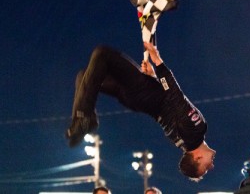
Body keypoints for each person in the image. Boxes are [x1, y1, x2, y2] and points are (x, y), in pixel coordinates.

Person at [66, 42, 216, 181]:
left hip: (144, 92)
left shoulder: (197, 131)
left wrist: (158, 63)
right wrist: (153, 77)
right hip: (137, 101)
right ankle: (85, 118)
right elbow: (170, 108)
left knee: (102, 54)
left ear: (197, 158)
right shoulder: (183, 143)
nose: (211, 166)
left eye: (206, 168)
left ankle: (84, 118)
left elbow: (176, 96)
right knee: (85, 77)